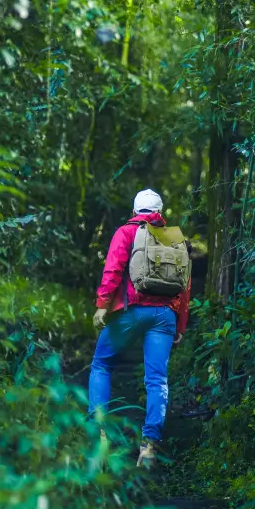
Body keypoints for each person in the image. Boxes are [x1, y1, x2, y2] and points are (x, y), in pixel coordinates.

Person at [88, 188, 191, 467]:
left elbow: (113, 269)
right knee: (157, 380)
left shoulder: (126, 232)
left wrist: (102, 305)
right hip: (164, 316)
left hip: (130, 312)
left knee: (101, 365)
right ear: (160, 213)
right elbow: (185, 285)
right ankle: (149, 447)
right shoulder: (174, 237)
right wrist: (180, 322)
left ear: (135, 211)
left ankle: (99, 434)